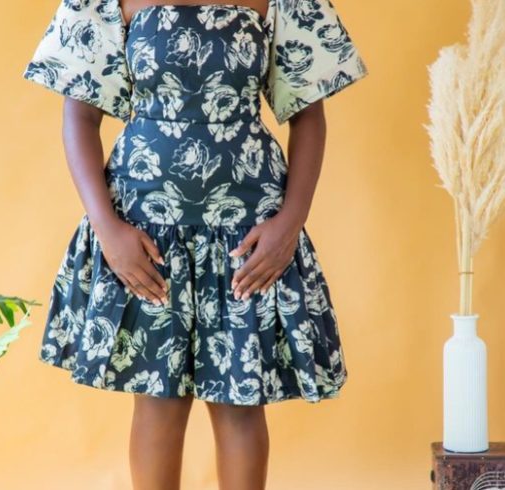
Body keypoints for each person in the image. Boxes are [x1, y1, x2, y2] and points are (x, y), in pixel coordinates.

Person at [22, 0, 368, 488]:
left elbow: (308, 115)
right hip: (147, 230)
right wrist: (108, 230)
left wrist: (290, 223)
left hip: (247, 231)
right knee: (157, 399)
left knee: (241, 402)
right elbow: (78, 117)